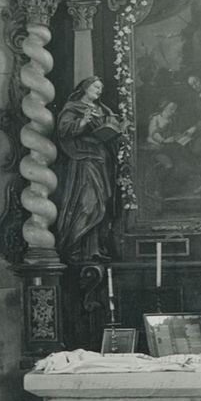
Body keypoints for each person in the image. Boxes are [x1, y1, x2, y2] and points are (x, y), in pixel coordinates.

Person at [55, 76, 121, 262]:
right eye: (96, 87)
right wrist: (83, 122)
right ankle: (76, 246)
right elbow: (63, 130)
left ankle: (95, 250)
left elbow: (111, 128)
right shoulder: (73, 107)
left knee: (103, 201)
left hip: (102, 159)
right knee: (89, 201)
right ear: (85, 88)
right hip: (85, 158)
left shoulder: (103, 109)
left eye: (101, 88)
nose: (99, 91)